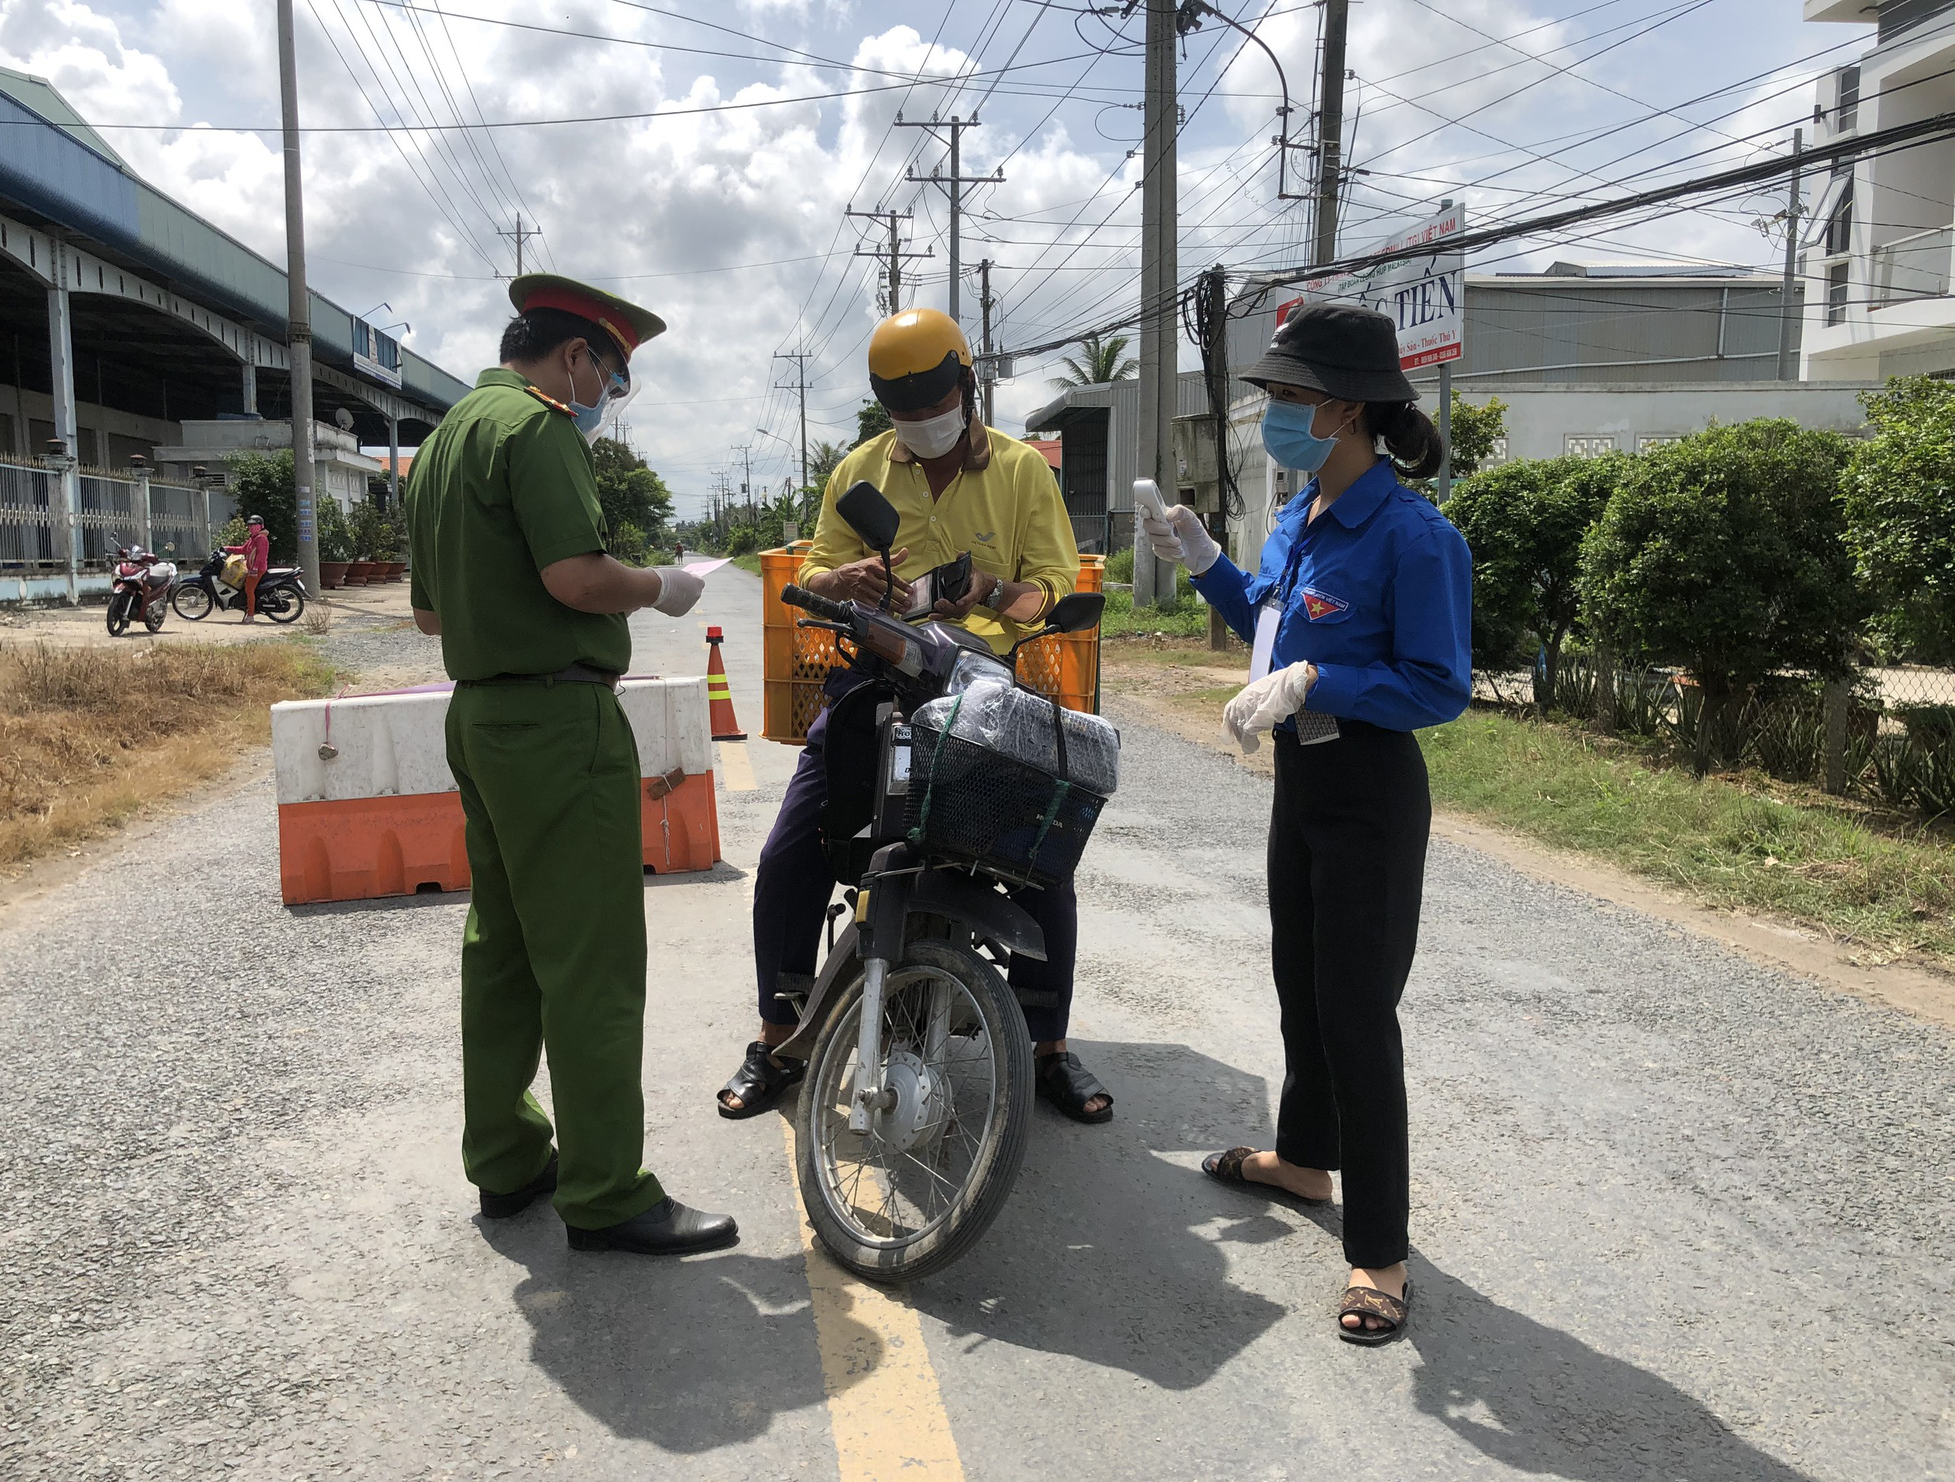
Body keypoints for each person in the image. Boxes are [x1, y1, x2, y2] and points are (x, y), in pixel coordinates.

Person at [1146, 303, 1472, 1345]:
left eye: (1285, 398)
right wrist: (1202, 557)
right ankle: (1301, 1159)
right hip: (1302, 786)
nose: (1272, 414)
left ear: (1340, 407)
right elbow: (1268, 621)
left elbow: (1436, 685)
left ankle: (1378, 1251)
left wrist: (1314, 679)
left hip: (1370, 793)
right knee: (1301, 984)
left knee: (1357, 1016)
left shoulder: (1414, 536)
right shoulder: (1297, 518)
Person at [406, 273, 737, 1256]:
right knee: (591, 961)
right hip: (557, 720)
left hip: (479, 718)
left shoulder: (443, 441)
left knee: (501, 947)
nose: (605, 400)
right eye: (613, 379)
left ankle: (507, 1160)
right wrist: (663, 587)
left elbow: (428, 613)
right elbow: (575, 577)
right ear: (577, 356)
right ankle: (604, 1191)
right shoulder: (535, 429)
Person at [718, 308, 1115, 1126]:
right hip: (877, 673)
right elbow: (816, 573)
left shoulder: (1019, 471)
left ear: (965, 387)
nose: (921, 424)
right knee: (790, 854)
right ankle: (776, 1038)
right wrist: (852, 580)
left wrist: (988, 592)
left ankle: (1048, 1045)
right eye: (903, 412)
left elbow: (1046, 585)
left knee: (1046, 857)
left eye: (932, 404)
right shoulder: (859, 470)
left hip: (982, 688)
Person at [235, 515, 269, 623]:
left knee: (249, 590)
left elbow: (261, 556)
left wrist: (254, 568)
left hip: (257, 569)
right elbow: (242, 549)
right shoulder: (253, 539)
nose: (251, 527)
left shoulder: (261, 538)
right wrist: (226, 548)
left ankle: (250, 616)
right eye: (250, 525)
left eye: (254, 525)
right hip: (251, 568)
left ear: (261, 526)